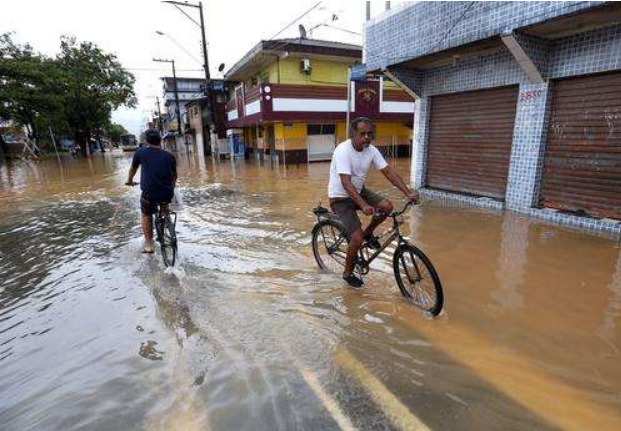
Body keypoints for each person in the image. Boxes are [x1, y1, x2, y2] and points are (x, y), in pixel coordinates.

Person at [328, 117, 419, 288]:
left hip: (359, 191)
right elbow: (346, 183)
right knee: (356, 237)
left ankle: (369, 233)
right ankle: (347, 273)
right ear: (353, 134)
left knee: (387, 206)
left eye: (370, 134)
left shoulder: (371, 151)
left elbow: (389, 172)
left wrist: (408, 192)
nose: (367, 138)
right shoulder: (343, 151)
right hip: (340, 197)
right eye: (362, 134)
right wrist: (363, 205)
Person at [126, 129, 177, 253]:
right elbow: (174, 176)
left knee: (146, 214)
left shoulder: (140, 152)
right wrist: (171, 187)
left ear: (146, 141)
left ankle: (149, 245)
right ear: (160, 140)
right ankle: (166, 219)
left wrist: (129, 181)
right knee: (164, 204)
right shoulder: (169, 156)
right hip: (167, 192)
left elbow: (133, 169)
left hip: (149, 194)